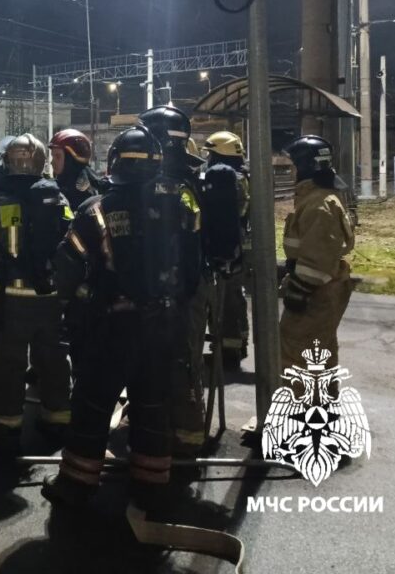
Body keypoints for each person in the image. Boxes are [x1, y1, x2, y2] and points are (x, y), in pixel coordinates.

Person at [42, 126, 189, 513]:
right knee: (153, 405)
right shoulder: (179, 205)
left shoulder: (95, 210)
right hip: (162, 324)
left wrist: (71, 307)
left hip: (109, 329)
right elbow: (192, 266)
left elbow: (66, 266)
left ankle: (76, 484)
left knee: (92, 405)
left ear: (114, 164)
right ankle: (152, 485)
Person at [0, 134, 73, 456]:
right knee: (54, 361)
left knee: (9, 364)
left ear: (8, 163)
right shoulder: (57, 199)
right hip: (50, 297)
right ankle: (57, 421)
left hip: (13, 299)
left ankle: (6, 429)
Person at [138, 106, 206, 457]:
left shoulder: (159, 186)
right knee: (184, 358)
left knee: (168, 360)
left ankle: (175, 432)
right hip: (190, 287)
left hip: (168, 291)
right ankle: (188, 431)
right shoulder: (197, 176)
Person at [279, 135, 355, 383]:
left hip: (315, 293)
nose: (290, 171)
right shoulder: (317, 198)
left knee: (297, 356)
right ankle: (322, 414)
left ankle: (299, 417)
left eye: (293, 166)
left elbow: (318, 260)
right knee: (321, 355)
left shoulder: (318, 204)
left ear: (304, 167)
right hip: (323, 288)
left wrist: (298, 290)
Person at [200, 131, 251, 367]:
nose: (208, 158)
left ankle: (228, 352)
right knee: (235, 298)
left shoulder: (227, 181)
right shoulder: (245, 177)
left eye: (211, 153)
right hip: (241, 247)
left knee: (225, 299)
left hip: (229, 248)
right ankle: (237, 345)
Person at [48, 128, 105, 211]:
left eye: (58, 156)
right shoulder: (56, 187)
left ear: (70, 159)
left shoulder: (84, 190)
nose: (52, 162)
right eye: (52, 156)